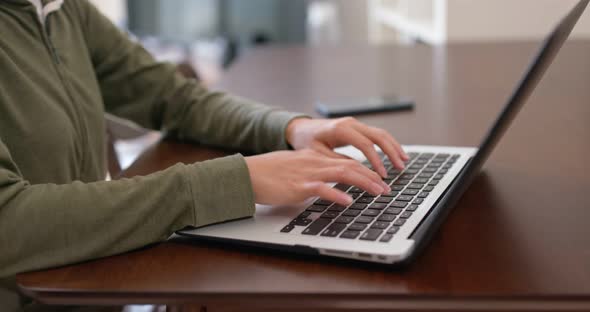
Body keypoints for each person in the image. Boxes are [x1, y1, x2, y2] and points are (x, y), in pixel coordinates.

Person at [0, 0, 408, 311]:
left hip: (83, 286)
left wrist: (289, 128)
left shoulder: (61, 8)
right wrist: (235, 181)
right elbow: (9, 224)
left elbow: (172, 96)